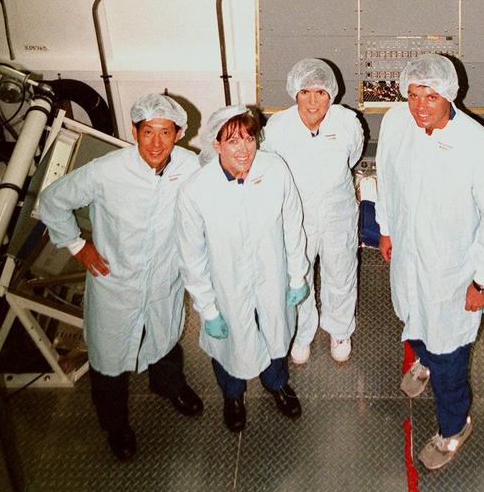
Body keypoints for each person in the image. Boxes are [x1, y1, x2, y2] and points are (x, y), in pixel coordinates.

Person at [37, 94, 202, 461]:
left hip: (164, 279)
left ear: (178, 134)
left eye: (165, 132)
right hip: (116, 284)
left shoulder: (190, 167)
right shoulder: (107, 171)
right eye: (148, 132)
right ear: (134, 131)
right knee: (108, 358)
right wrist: (78, 246)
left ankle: (168, 386)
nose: (156, 143)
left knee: (164, 336)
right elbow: (52, 201)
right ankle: (115, 426)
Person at [376, 53, 484, 471]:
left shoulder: (479, 147)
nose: (419, 106)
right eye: (413, 94)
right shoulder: (397, 123)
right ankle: (424, 361)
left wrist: (482, 281)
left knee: (451, 355)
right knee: (412, 319)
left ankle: (454, 427)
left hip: (454, 273)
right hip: (410, 258)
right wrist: (386, 227)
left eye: (430, 96)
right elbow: (385, 175)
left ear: (449, 95)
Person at [176, 105, 309, 433]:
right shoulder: (196, 190)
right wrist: (207, 309)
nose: (244, 149)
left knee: (274, 331)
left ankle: (276, 383)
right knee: (230, 344)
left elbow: (293, 223)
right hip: (227, 286)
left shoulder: (274, 169)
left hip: (273, 278)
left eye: (249, 139)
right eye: (233, 141)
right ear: (216, 145)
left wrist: (296, 276)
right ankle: (233, 396)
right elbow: (191, 256)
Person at [262, 59, 364, 365]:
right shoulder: (278, 127)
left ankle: (339, 329)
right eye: (305, 92)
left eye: (320, 92)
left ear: (331, 94)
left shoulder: (347, 122)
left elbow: (353, 156)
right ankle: (303, 332)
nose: (313, 101)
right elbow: (269, 169)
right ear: (295, 93)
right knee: (298, 274)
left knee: (341, 271)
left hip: (338, 213)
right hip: (296, 215)